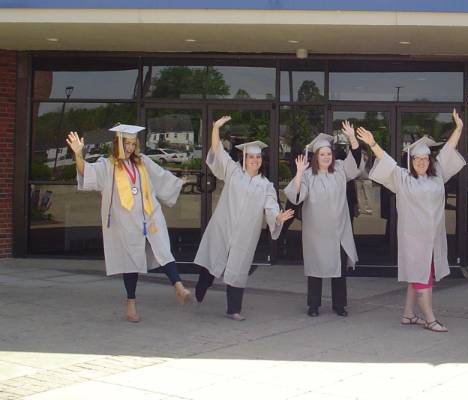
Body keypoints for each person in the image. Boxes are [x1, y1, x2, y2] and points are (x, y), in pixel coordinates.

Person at [66, 125, 192, 323]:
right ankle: (131, 303)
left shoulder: (143, 163)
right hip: (126, 221)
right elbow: (86, 173)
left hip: (150, 215)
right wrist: (78, 154)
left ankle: (178, 287)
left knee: (163, 249)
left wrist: (178, 182)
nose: (131, 147)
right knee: (131, 260)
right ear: (118, 143)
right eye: (128, 143)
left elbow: (161, 176)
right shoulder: (107, 165)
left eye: (134, 143)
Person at [357, 110, 465, 333]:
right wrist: (373, 143)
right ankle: (430, 318)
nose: (422, 162)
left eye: (425, 159)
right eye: (417, 159)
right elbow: (385, 160)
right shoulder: (402, 179)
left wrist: (459, 129)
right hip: (413, 239)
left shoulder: (438, 177)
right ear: (411, 160)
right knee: (421, 278)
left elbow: (447, 151)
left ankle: (408, 314)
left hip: (433, 238)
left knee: (422, 275)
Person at [194, 116, 294, 321]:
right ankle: (203, 284)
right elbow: (217, 151)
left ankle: (233, 309)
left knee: (238, 268)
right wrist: (215, 128)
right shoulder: (233, 172)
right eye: (251, 158)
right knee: (214, 259)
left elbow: (271, 206)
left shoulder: (265, 185)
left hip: (245, 233)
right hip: (224, 226)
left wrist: (278, 217)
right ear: (244, 158)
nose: (255, 161)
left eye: (258, 158)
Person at [284, 122, 362, 317]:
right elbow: (295, 197)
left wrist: (353, 138)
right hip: (316, 233)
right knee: (316, 269)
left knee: (339, 270)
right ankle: (313, 305)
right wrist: (300, 173)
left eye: (328, 154)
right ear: (316, 157)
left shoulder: (341, 170)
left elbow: (357, 162)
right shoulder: (309, 175)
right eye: (322, 154)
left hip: (339, 231)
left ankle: (340, 305)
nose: (326, 157)